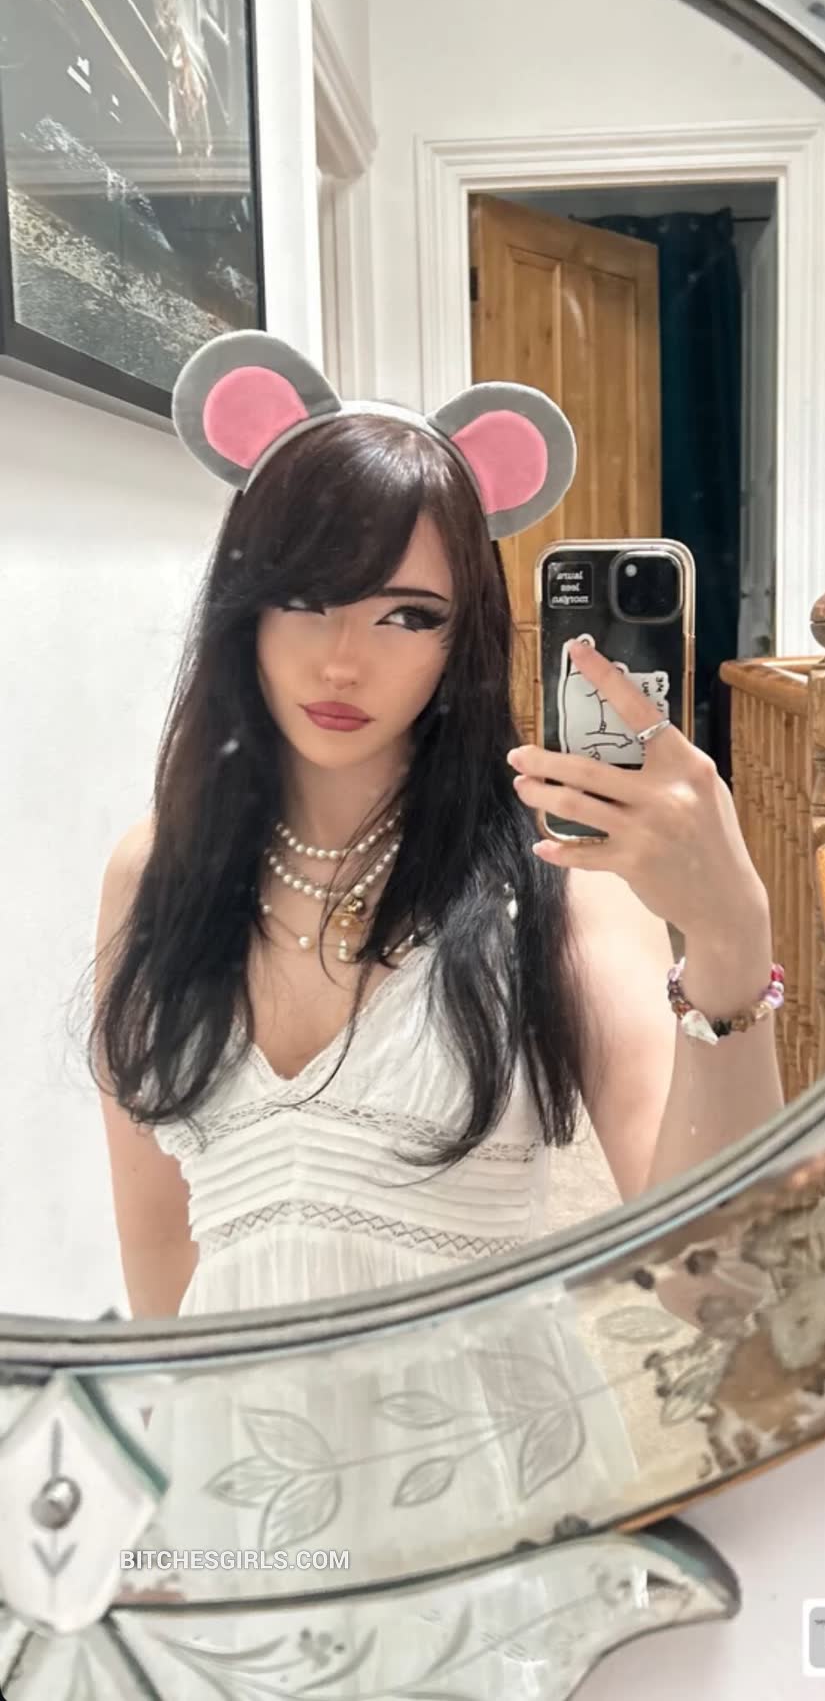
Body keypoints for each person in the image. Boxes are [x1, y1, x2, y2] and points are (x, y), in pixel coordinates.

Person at [92, 328, 784, 1326]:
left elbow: (712, 1283)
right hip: (236, 1421)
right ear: (242, 610)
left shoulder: (558, 878)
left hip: (480, 1421)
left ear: (465, 635)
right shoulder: (156, 872)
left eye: (408, 615)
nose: (342, 660)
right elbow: (160, 1243)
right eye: (303, 599)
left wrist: (729, 942)